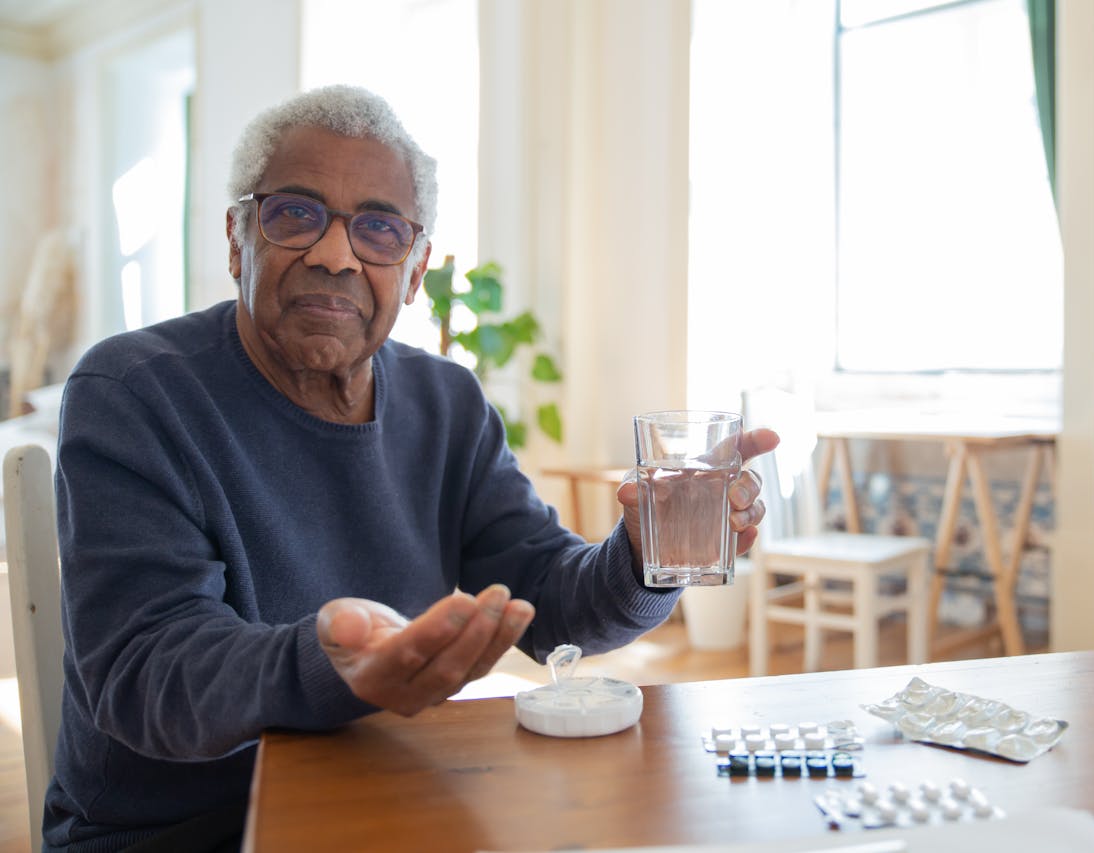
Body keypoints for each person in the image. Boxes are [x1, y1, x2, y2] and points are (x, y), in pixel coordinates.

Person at [45, 84, 779, 852]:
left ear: (416, 267)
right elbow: (145, 673)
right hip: (179, 830)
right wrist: (331, 664)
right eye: (295, 214)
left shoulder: (447, 403)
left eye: (378, 230)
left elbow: (554, 604)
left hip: (377, 790)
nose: (335, 255)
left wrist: (644, 554)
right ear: (237, 238)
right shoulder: (134, 391)